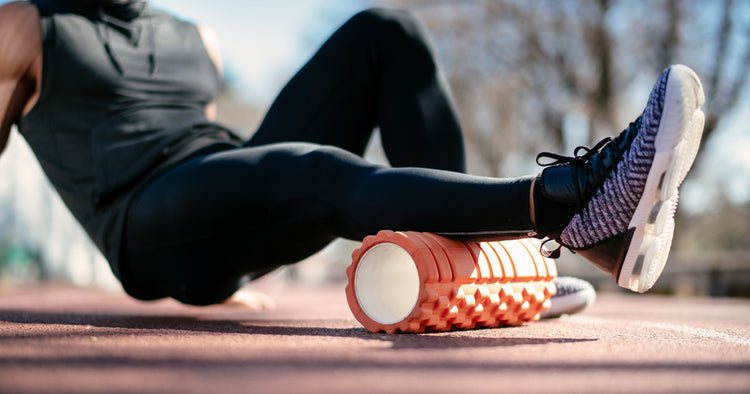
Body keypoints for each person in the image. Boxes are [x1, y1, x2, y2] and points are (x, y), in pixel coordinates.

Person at [0, 0, 704, 307]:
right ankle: (568, 202)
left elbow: (223, 163)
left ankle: (477, 271)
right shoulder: (26, 26)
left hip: (218, 190)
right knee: (308, 169)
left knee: (384, 31)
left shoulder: (195, 37)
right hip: (143, 221)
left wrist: (235, 264)